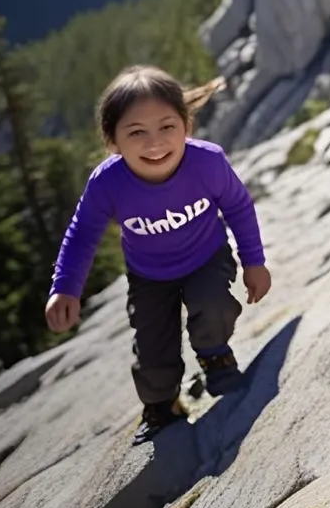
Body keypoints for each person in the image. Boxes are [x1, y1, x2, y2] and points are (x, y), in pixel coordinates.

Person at [45, 66, 271, 445]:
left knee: (213, 305)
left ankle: (216, 357)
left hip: (206, 256)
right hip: (148, 275)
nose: (155, 144)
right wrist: (65, 287)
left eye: (167, 127)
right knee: (152, 345)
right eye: (136, 132)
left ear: (187, 125)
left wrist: (254, 261)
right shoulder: (107, 183)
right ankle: (161, 405)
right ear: (113, 141)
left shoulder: (207, 162)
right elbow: (82, 233)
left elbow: (238, 206)